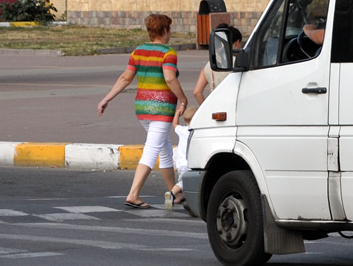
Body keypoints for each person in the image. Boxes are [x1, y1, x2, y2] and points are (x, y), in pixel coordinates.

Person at [97, 13, 189, 209]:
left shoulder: (138, 52)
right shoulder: (168, 53)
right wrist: (183, 99)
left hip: (142, 110)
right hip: (162, 109)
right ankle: (133, 194)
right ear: (164, 31)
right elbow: (170, 78)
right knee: (152, 149)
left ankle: (174, 192)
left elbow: (125, 78)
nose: (170, 33)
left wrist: (107, 98)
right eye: (169, 29)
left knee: (163, 147)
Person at [167, 24, 243, 209]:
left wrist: (208, 109)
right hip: (237, 115)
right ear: (233, 43)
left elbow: (197, 91)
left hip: (218, 116)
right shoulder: (238, 62)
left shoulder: (210, 65)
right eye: (239, 43)